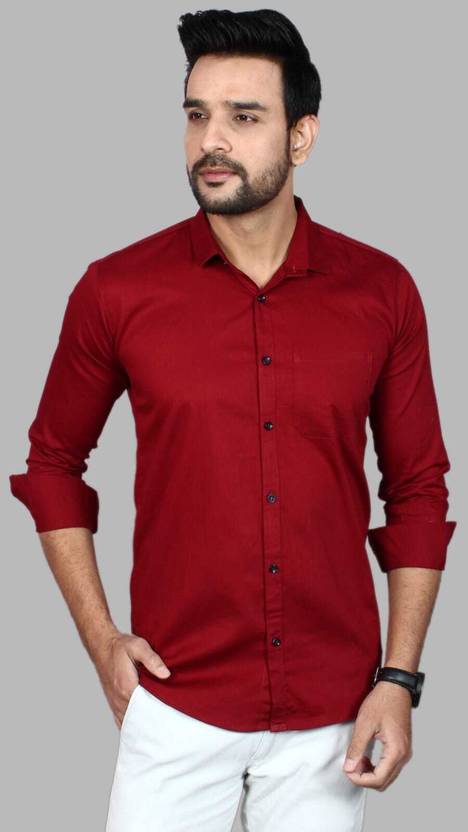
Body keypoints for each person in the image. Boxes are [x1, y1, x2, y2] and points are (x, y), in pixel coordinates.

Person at [9, 8, 457, 832]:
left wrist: (399, 680)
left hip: (333, 715)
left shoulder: (382, 291)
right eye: (196, 115)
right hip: (175, 704)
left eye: (244, 117)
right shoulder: (116, 290)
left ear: (301, 136)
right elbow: (51, 466)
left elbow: (419, 491)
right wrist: (103, 641)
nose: (210, 141)